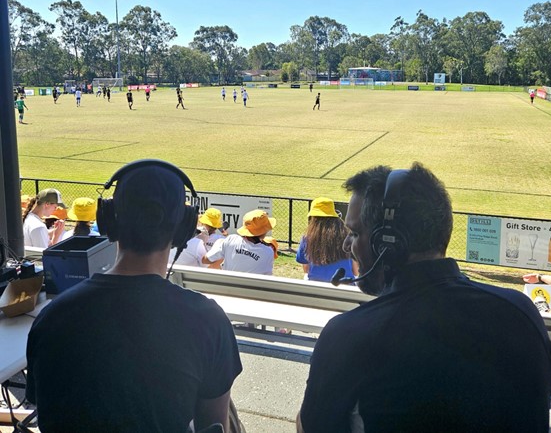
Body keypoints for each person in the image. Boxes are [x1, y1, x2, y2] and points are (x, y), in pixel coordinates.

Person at [298, 164, 551, 432]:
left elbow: (308, 428)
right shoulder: (521, 311)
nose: (346, 245)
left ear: (387, 242)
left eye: (354, 233)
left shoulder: (350, 335)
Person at [26, 160, 243, 432]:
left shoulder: (51, 317)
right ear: (183, 229)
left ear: (109, 220)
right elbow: (214, 425)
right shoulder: (208, 321)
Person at [296, 197, 356, 283]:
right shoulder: (348, 236)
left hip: (316, 284)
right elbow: (355, 270)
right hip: (344, 285)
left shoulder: (307, 238)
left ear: (313, 218)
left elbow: (306, 269)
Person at [202, 209, 277, 275]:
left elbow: (205, 260)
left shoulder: (231, 240)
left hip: (226, 284)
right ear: (264, 231)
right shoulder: (268, 252)